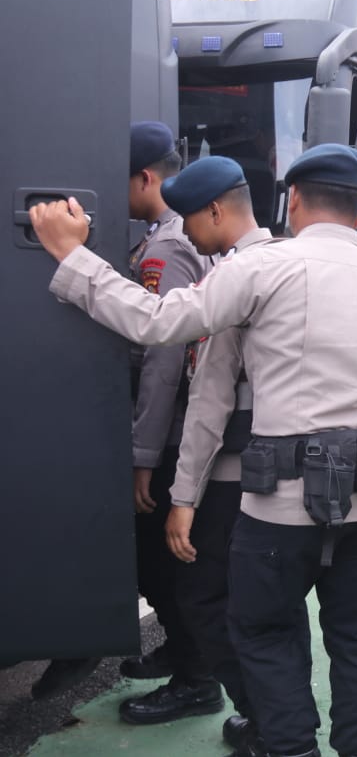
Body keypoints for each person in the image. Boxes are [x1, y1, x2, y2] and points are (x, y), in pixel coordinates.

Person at [31, 143, 357, 757]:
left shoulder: (261, 270)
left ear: (293, 201)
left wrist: (72, 255)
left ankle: (290, 748)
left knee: (267, 633)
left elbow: (158, 322)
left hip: (278, 510)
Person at [158, 157, 273, 753]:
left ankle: (262, 717)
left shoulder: (237, 276)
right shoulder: (280, 262)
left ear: (214, 211)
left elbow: (208, 400)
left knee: (207, 595)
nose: (183, 234)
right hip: (293, 470)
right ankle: (274, 718)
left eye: (186, 220)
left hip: (234, 475)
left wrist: (183, 498)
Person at [120, 122, 221, 725]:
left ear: (145, 177)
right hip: (178, 425)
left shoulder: (163, 250)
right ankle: (185, 654)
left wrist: (142, 454)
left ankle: (196, 678)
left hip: (170, 430)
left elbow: (161, 362)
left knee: (163, 557)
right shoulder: (170, 237)